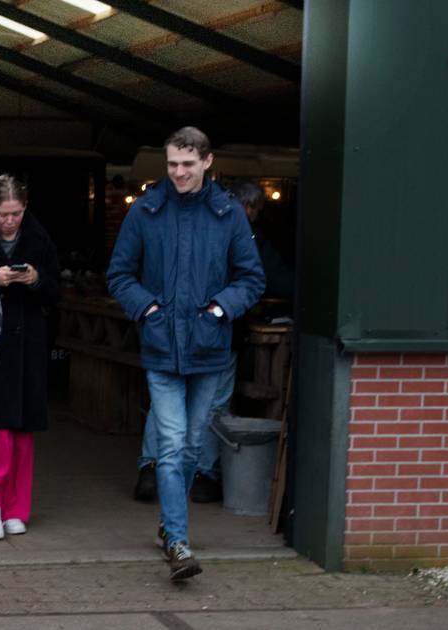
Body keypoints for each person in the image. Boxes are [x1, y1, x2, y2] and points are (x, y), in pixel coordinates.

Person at [107, 127, 264, 581]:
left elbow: (251, 279)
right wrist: (149, 309)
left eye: (187, 164)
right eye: (172, 163)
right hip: (161, 348)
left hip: (209, 348)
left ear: (207, 162)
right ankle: (178, 543)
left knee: (193, 446)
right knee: (172, 445)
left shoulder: (228, 214)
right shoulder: (148, 210)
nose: (177, 172)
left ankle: (169, 522)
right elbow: (119, 274)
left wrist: (219, 310)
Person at [132, 179, 290, 505]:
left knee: (169, 406)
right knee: (212, 406)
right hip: (215, 337)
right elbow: (267, 278)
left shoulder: (196, 226)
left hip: (180, 333)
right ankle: (202, 474)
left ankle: (153, 468)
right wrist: (219, 312)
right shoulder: (243, 235)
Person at [0, 174, 61, 540]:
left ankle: (15, 510)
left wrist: (37, 279)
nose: (10, 220)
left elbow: (57, 292)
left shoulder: (40, 239)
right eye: (4, 214)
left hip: (30, 346)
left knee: (24, 432)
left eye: (17, 213)